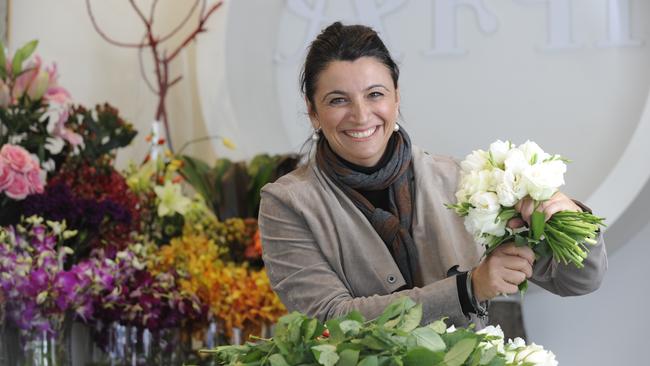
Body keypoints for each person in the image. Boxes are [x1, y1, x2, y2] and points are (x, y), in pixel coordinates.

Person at [258, 22, 607, 328]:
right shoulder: (288, 204)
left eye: (375, 94)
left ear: (396, 98)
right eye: (338, 100)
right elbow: (330, 320)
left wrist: (567, 221)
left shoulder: (464, 181)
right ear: (312, 111)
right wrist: (468, 288)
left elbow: (578, 281)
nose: (361, 115)